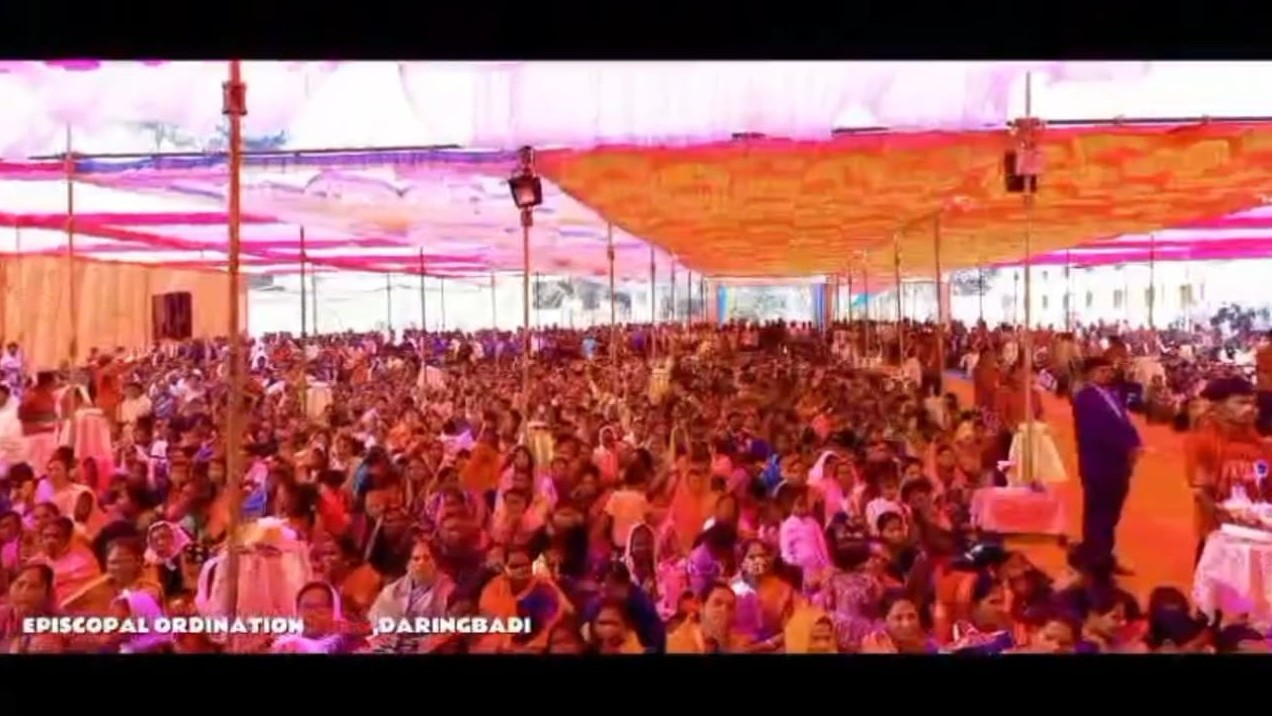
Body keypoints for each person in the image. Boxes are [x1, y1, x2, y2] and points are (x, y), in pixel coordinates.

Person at [1072, 356, 1141, 575]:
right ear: (1089, 374)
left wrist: (1135, 444)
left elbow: (1125, 423)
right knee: (1098, 514)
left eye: (1109, 370)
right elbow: (1099, 432)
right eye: (1102, 371)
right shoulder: (1085, 398)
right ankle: (1094, 560)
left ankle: (1104, 556)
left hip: (1118, 464)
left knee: (1111, 514)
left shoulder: (1111, 395)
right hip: (1099, 463)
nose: (1107, 374)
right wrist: (1125, 446)